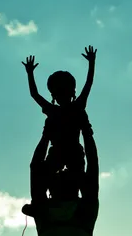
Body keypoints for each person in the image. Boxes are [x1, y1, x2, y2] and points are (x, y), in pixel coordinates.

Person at [22, 46, 97, 175]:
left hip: (73, 154)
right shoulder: (66, 109)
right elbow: (34, 94)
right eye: (58, 92)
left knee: (75, 176)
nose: (61, 95)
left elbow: (88, 83)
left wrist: (92, 63)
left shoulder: (70, 109)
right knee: (39, 171)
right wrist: (30, 73)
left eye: (63, 91)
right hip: (59, 153)